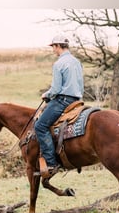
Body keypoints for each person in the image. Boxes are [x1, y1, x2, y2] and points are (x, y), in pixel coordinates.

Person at [34, 34, 84, 178]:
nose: (53, 50)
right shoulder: (76, 61)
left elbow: (56, 89)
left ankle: (51, 163)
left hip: (63, 101)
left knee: (40, 126)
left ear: (58, 46)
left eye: (53, 47)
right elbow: (80, 85)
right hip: (76, 100)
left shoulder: (59, 64)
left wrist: (46, 95)